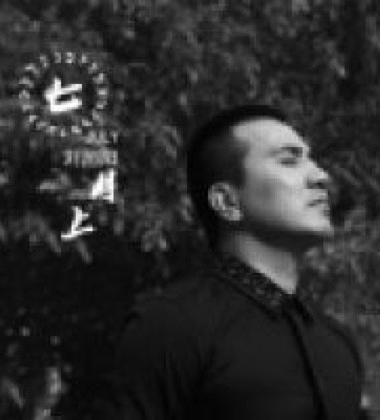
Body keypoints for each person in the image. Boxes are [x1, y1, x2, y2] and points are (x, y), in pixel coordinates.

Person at [100, 105, 363, 420]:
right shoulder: (171, 326)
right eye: (289, 160)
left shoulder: (337, 342)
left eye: (311, 160)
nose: (321, 176)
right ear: (227, 201)